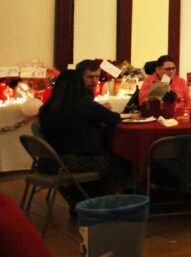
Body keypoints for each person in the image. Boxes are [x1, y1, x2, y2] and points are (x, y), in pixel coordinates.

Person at [38, 70, 131, 208]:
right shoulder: (84, 104)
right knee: (122, 158)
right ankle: (102, 201)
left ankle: (80, 197)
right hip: (72, 162)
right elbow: (114, 119)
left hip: (50, 162)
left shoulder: (47, 108)